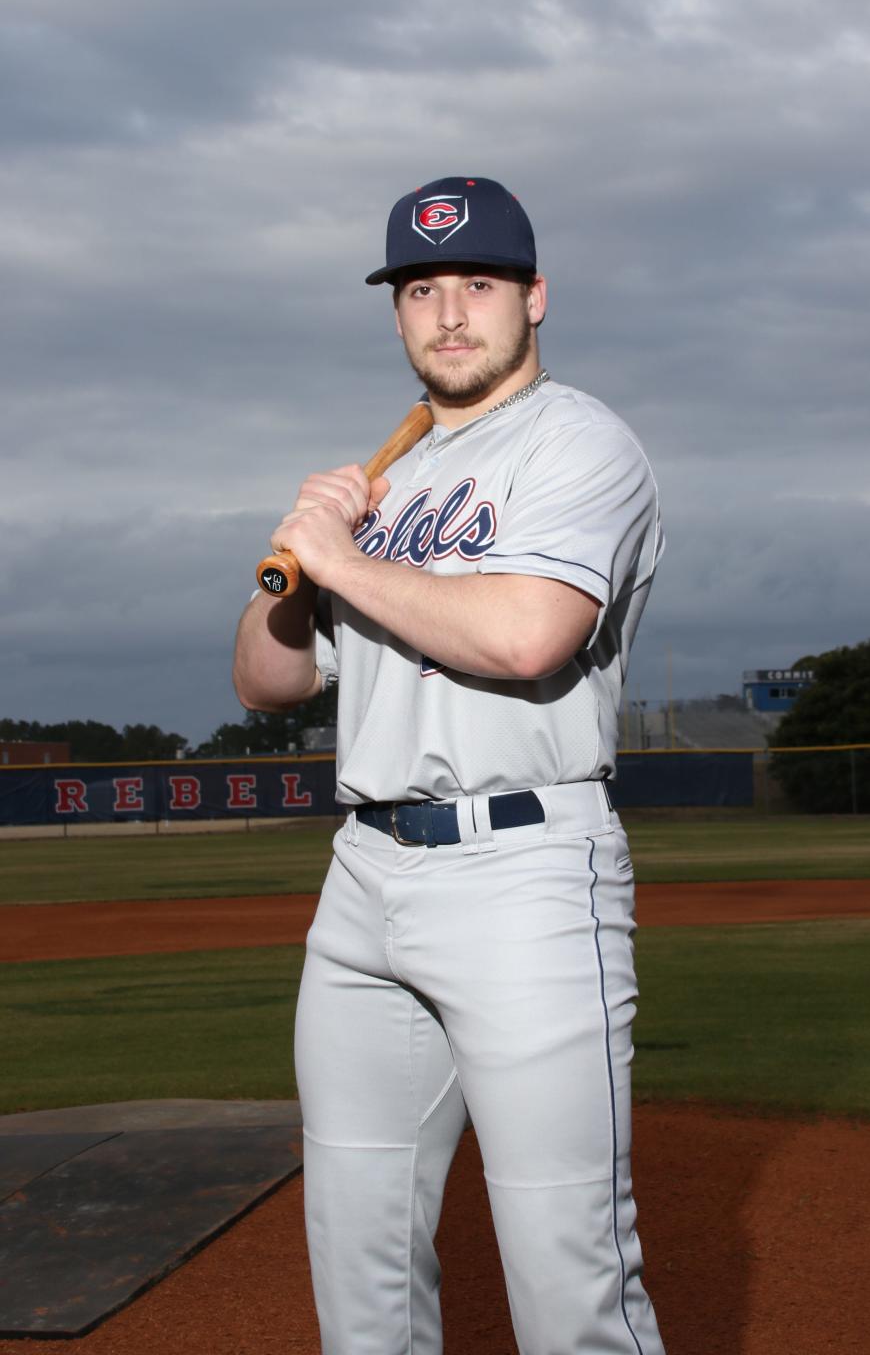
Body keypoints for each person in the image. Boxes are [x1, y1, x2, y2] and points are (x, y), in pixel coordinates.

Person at [233, 175, 667, 1355]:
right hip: (364, 880)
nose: (451, 312)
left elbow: (528, 635)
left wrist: (348, 562)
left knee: (569, 1269)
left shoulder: (581, 440)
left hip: (523, 870)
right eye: (422, 289)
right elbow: (267, 685)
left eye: (478, 283)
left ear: (535, 298)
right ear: (397, 315)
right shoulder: (387, 487)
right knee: (358, 1256)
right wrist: (294, 560)